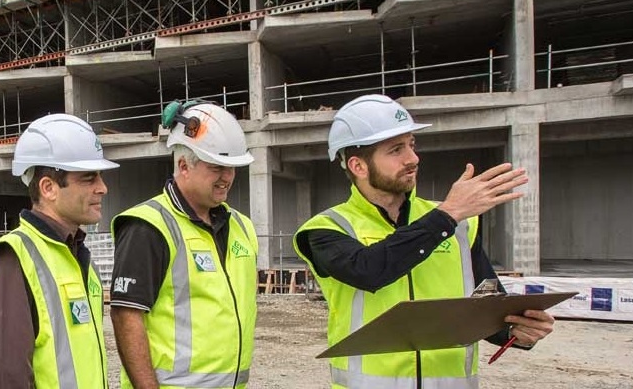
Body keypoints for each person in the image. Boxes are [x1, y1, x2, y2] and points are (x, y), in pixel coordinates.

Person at [292, 94, 555, 389]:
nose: (413, 159)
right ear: (358, 166)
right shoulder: (327, 229)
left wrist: (515, 330)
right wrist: (447, 215)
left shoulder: (459, 225)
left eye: (412, 145)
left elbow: (485, 303)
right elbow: (369, 270)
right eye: (396, 150)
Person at [109, 100, 258, 389]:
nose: (227, 177)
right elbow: (127, 316)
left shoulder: (242, 226)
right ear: (183, 166)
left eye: (232, 167)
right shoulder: (149, 227)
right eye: (217, 166)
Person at [0, 114, 118, 388]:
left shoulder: (77, 254)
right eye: (89, 178)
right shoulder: (14, 258)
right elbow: (4, 380)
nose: (103, 187)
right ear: (49, 188)